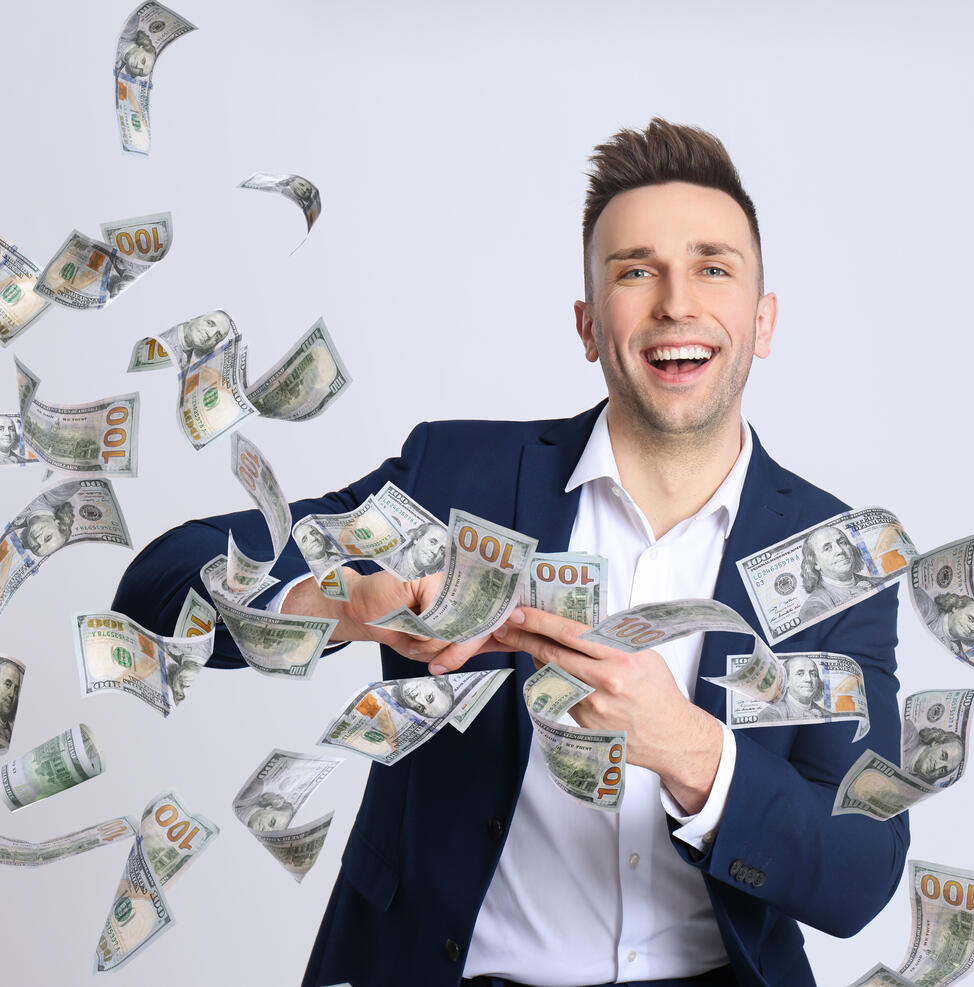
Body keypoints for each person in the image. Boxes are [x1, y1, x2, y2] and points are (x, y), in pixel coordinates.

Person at [112, 119, 907, 987]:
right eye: (635, 271)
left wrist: (689, 749)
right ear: (589, 325)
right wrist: (341, 606)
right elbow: (156, 588)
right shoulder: (461, 483)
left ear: (761, 322)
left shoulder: (838, 557)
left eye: (712, 267)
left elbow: (859, 872)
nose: (677, 301)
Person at [797, 525, 881, 623]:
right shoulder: (814, 607)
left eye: (842, 542)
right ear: (815, 563)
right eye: (827, 548)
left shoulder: (879, 582)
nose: (840, 550)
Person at [756, 656, 829, 722]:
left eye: (813, 674)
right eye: (800, 674)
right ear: (786, 680)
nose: (809, 679)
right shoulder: (771, 714)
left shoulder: (827, 714)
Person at [899, 724, 964, 787]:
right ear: (935, 742)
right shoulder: (908, 733)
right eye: (943, 756)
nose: (937, 766)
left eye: (942, 770)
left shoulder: (913, 788)